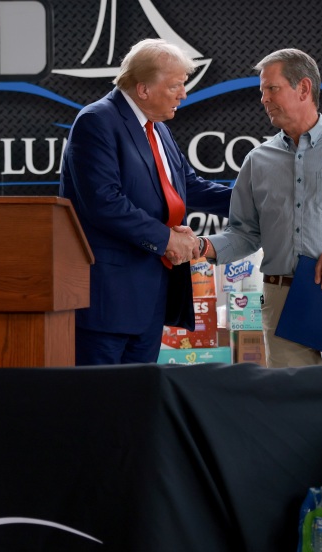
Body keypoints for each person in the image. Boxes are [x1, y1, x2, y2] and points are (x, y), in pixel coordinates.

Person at [196, 48, 322, 367]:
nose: (263, 99)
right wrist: (199, 245)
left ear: (304, 88)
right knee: (292, 405)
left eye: (271, 88)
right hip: (279, 298)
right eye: (261, 90)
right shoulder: (257, 161)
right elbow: (244, 234)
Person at [59, 39, 232, 365]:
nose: (184, 94)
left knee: (137, 403)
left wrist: (257, 204)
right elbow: (104, 202)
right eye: (176, 86)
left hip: (150, 298)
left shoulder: (158, 128)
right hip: (108, 303)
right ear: (143, 89)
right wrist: (167, 239)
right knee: (101, 405)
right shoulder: (96, 121)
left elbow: (189, 187)